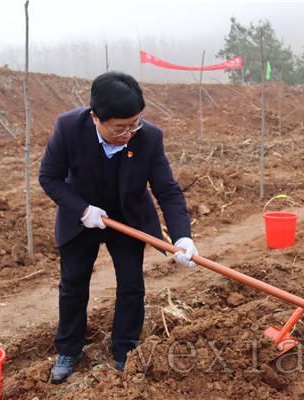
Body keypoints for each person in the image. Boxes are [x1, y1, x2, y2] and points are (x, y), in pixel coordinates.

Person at [39, 71, 199, 383]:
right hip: (81, 217)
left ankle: (124, 348)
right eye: (119, 128)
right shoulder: (69, 128)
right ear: (95, 117)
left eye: (134, 124)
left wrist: (183, 236)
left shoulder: (149, 137)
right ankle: (69, 349)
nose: (128, 133)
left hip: (127, 219)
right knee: (73, 284)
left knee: (131, 285)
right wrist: (82, 210)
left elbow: (167, 190)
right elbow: (49, 178)